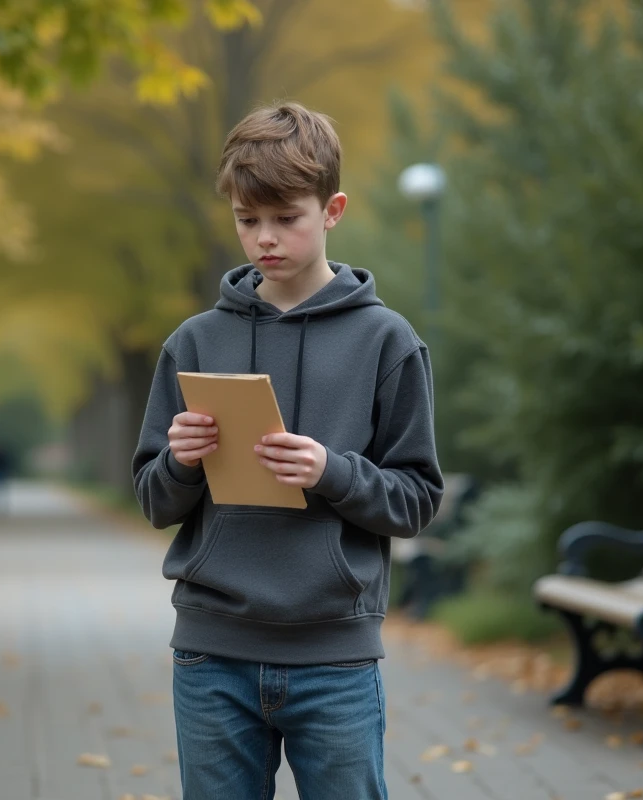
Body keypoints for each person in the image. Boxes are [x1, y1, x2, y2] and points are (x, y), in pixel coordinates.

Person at [132, 101, 444, 799]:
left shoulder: (387, 342)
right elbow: (154, 501)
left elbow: (418, 499)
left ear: (332, 210)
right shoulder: (193, 343)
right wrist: (181, 460)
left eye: (286, 218)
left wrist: (330, 472)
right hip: (212, 652)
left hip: (334, 658)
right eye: (248, 220)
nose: (264, 238)